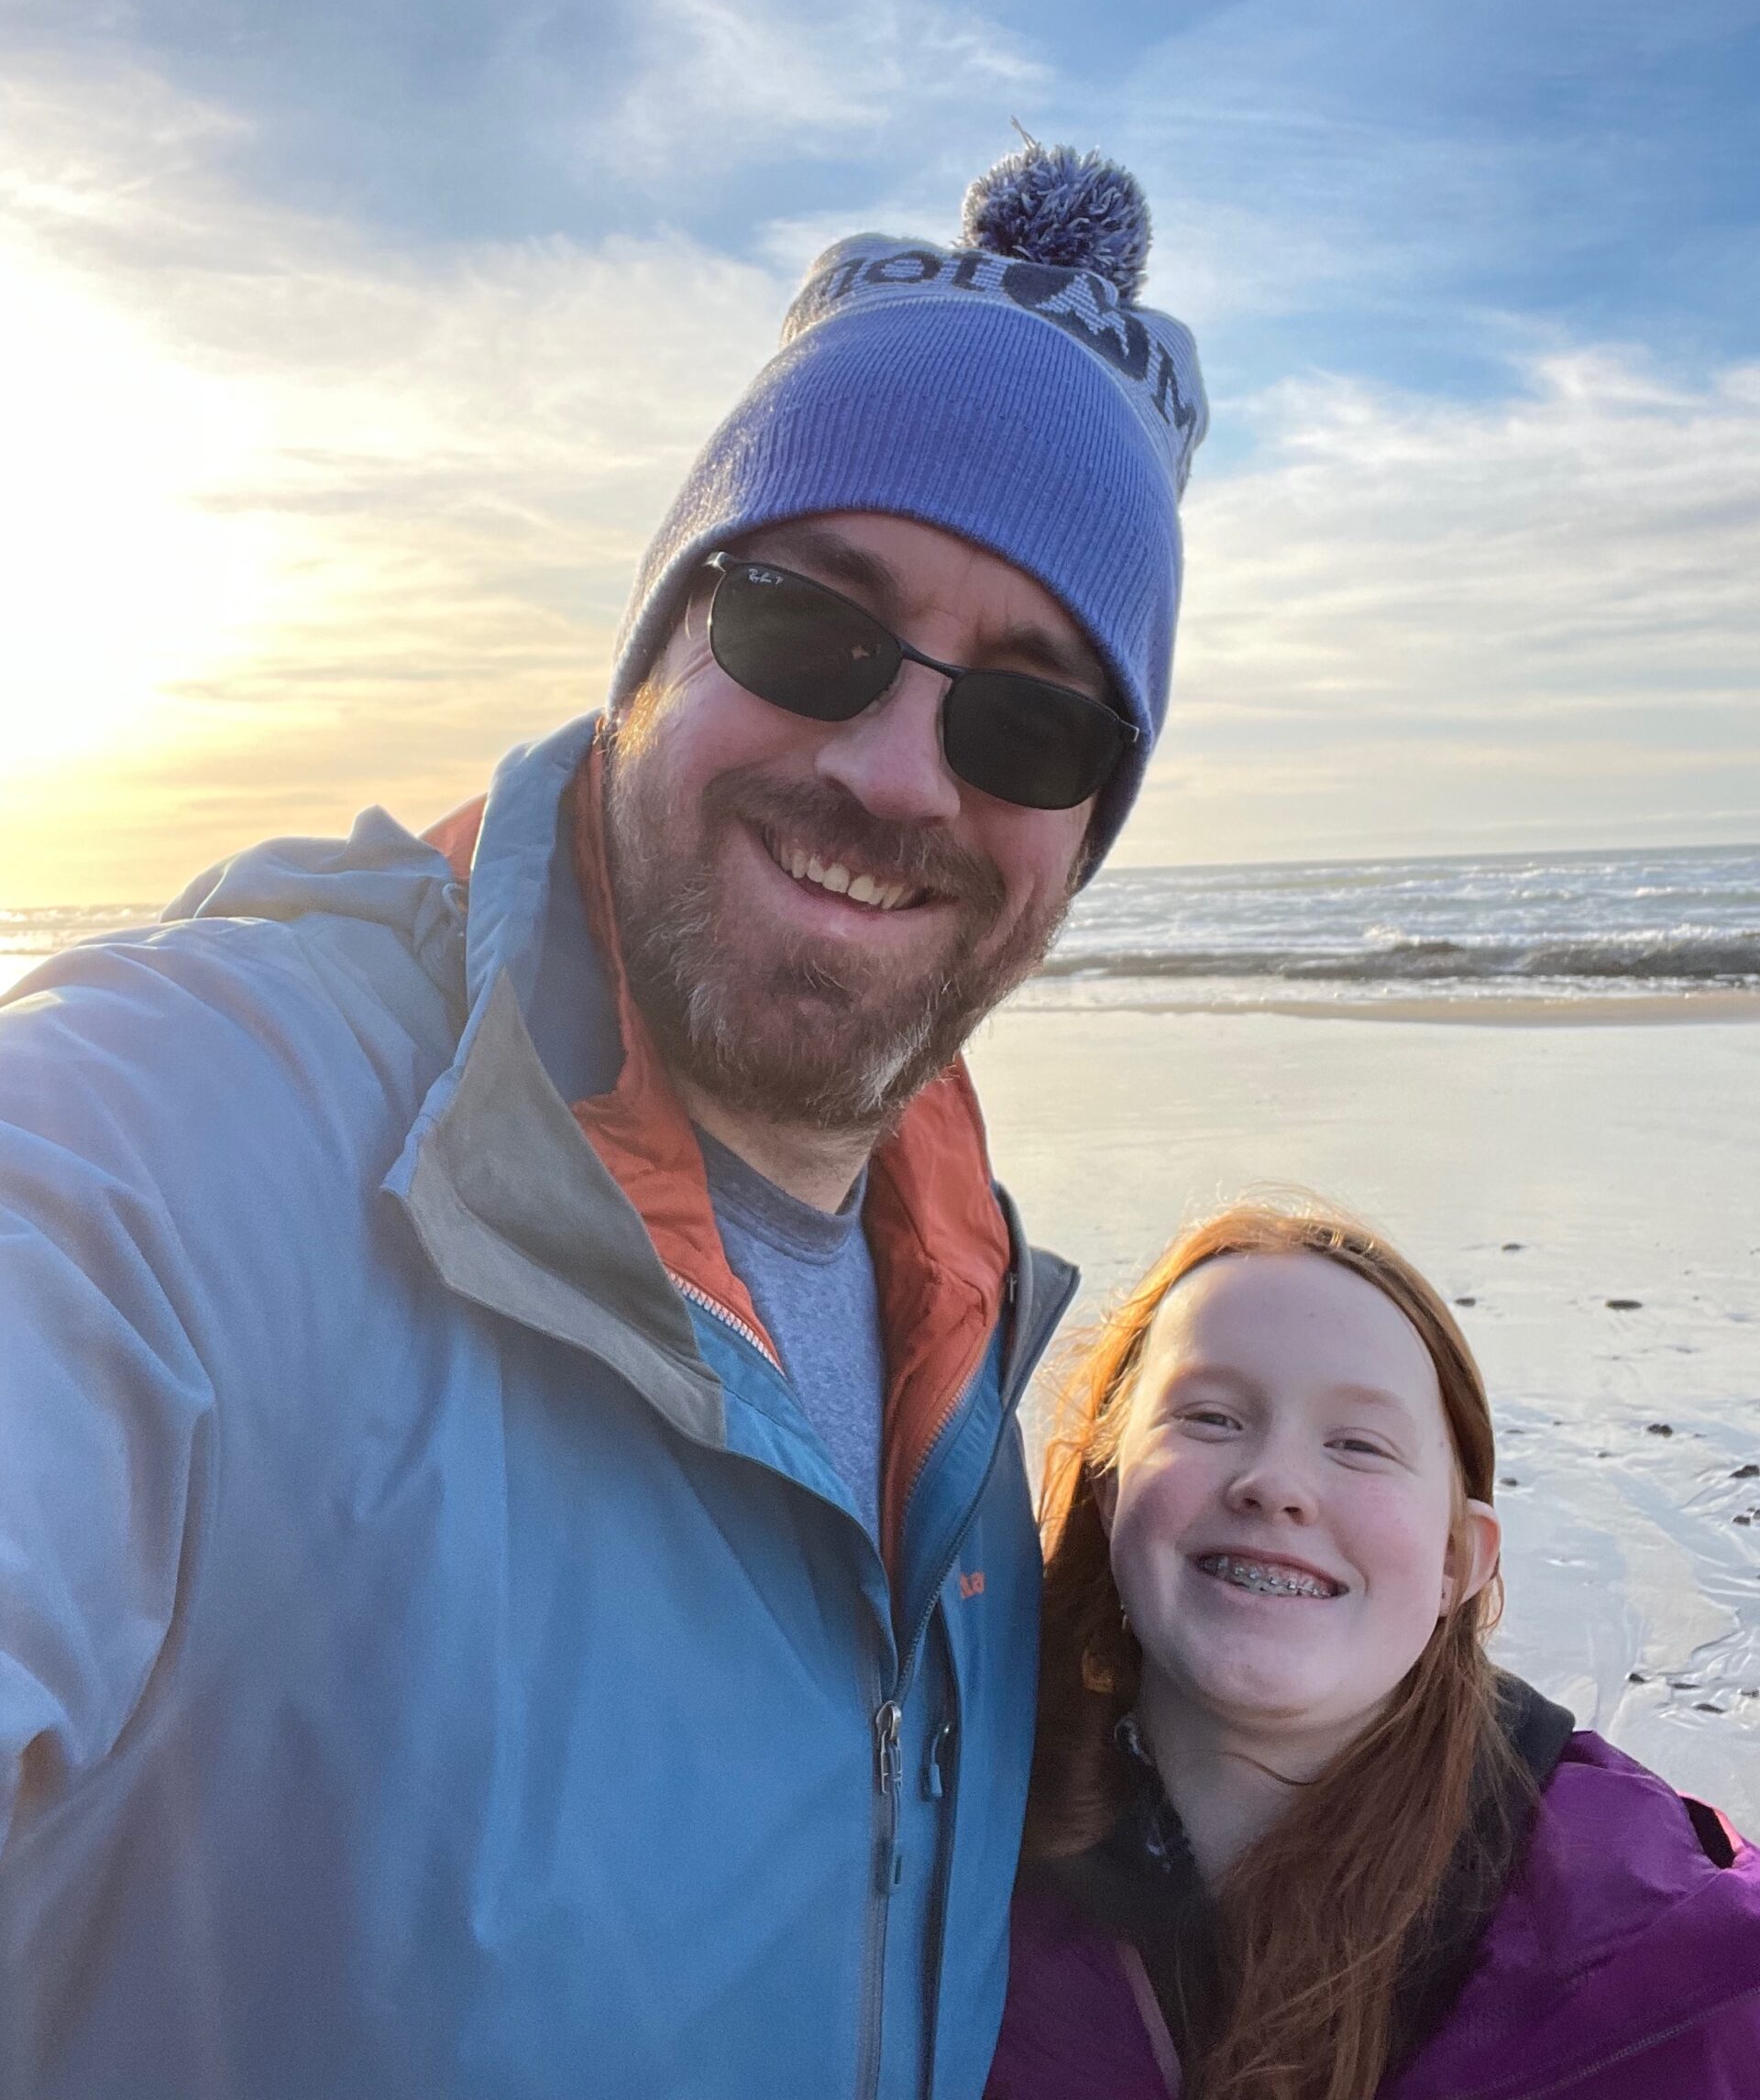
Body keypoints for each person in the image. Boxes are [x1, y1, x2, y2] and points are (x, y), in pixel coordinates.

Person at [0, 140, 1206, 2099]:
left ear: (1083, 837)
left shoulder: (970, 1404)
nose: (897, 771)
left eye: (1031, 721)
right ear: (656, 645)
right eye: (812, 626)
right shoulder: (192, 1123)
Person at [986, 1201, 1760, 2100]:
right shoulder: (942, 1863)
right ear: (1111, 1492)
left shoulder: (1685, 1971)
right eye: (1209, 1416)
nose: (1275, 1483)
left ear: (1456, 1560)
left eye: (1357, 1443)